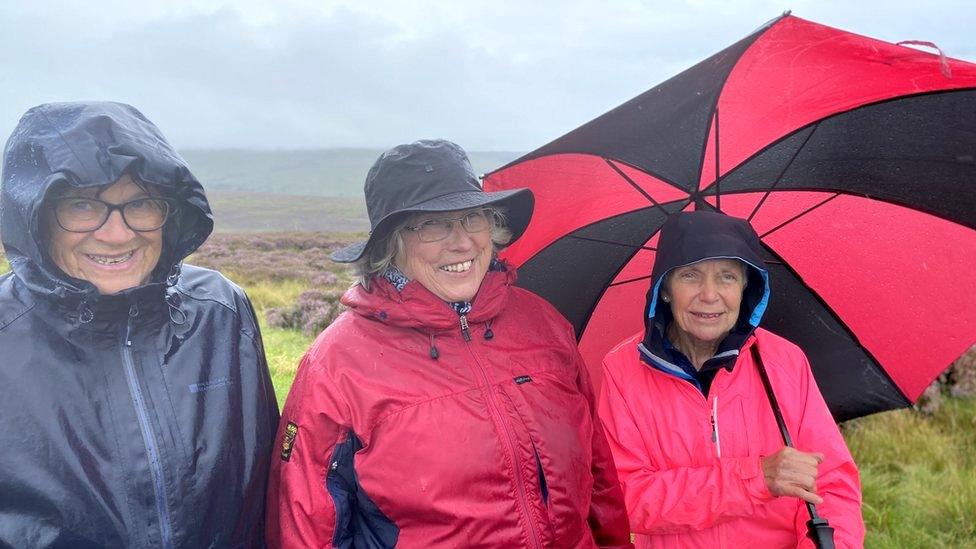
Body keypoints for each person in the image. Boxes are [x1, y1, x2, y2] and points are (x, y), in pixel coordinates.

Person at [266, 139, 632, 548]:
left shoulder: (543, 325)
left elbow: (597, 476)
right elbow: (307, 526)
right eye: (433, 224)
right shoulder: (336, 364)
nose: (461, 243)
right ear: (391, 243)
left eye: (472, 218)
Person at [0, 102, 279, 548]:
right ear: (36, 216)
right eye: (82, 204)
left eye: (142, 203)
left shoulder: (219, 312)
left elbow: (267, 482)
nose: (117, 234)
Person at [598, 211, 864, 548]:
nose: (709, 295)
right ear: (665, 287)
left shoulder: (784, 362)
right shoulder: (623, 370)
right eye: (690, 275)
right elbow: (625, 496)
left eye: (726, 277)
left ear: (746, 288)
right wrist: (754, 479)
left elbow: (830, 484)